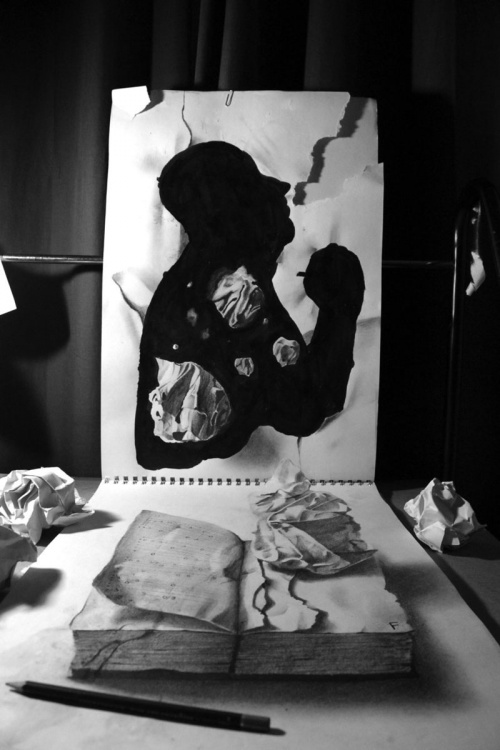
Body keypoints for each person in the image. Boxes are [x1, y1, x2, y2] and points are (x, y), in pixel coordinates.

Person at [135, 141, 365, 469]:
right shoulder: (234, 293)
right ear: (234, 215)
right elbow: (307, 410)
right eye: (254, 187)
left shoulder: (201, 283)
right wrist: (340, 308)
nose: (280, 190)